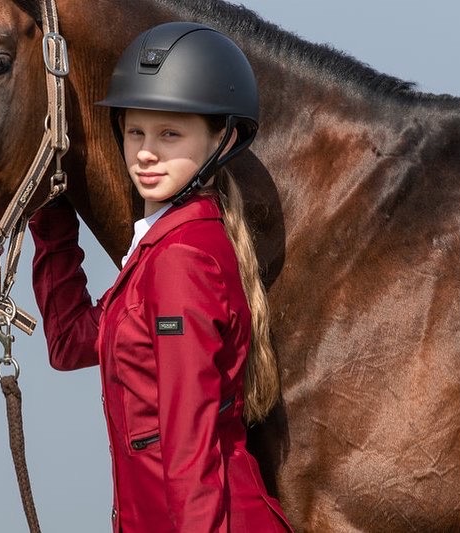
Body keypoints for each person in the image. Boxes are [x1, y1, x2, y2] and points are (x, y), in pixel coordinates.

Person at [29, 22, 292, 532]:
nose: (146, 153)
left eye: (170, 134)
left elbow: (189, 453)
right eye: (135, 132)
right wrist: (51, 211)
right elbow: (70, 342)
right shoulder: (161, 249)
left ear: (224, 138)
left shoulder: (181, 262)